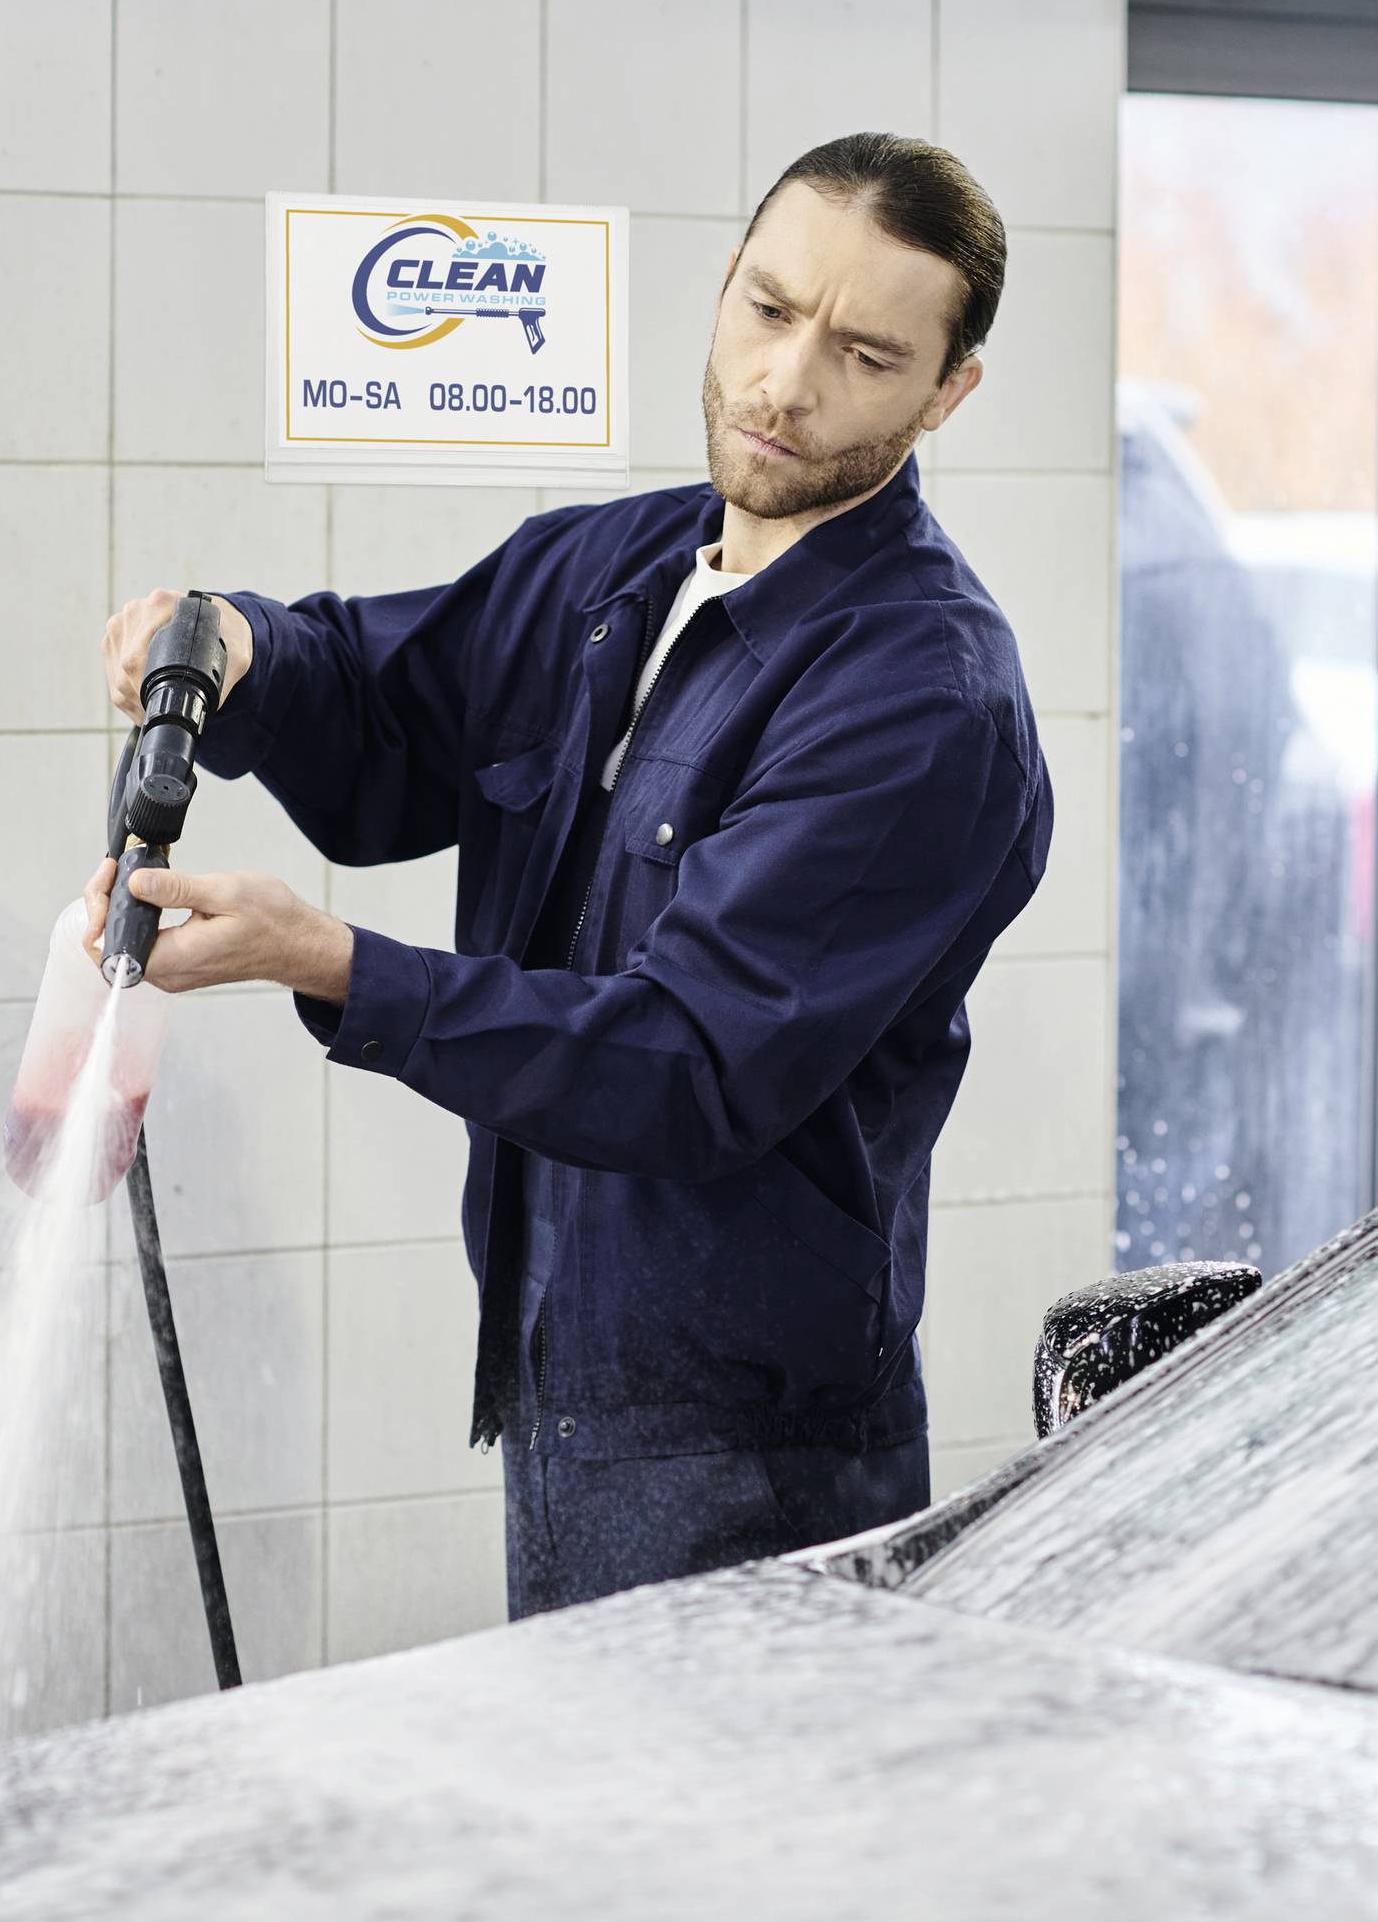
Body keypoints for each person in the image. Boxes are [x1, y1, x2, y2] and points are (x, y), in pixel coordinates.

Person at [84, 133, 1052, 1618]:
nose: (787, 382)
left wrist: (330, 963)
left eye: (866, 355)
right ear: (725, 284)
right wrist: (240, 646)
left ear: (948, 391)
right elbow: (386, 720)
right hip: (555, 1364)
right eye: (769, 310)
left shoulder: (922, 694)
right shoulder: (612, 571)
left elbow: (690, 1063)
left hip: (750, 1445)